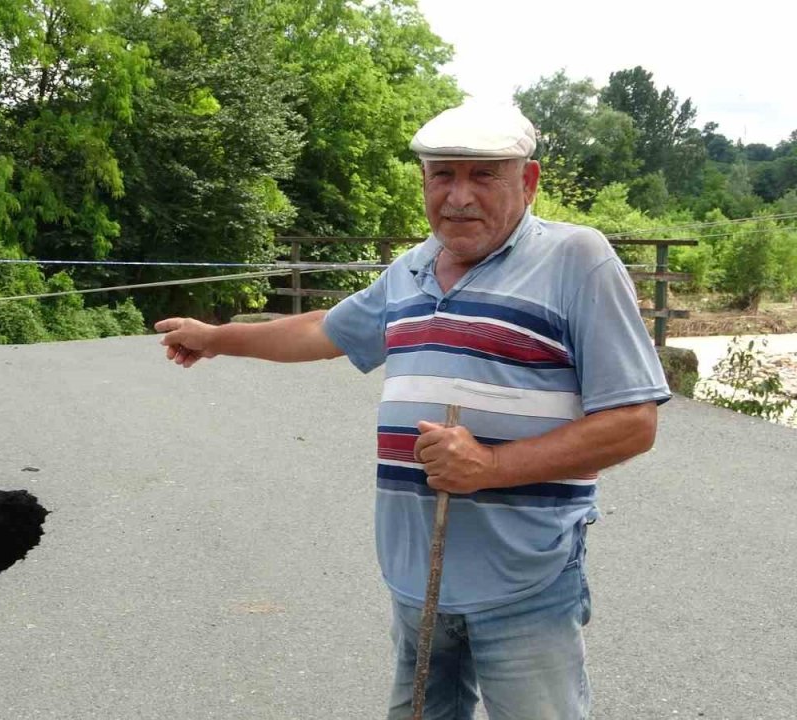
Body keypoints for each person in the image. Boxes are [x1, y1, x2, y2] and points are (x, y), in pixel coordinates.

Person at [153, 101, 670, 719]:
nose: (458, 197)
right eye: (442, 175)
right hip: (415, 581)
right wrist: (216, 338)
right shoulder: (414, 266)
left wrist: (490, 466)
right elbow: (325, 330)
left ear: (527, 183)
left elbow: (634, 422)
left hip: (525, 581)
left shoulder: (577, 260)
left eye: (484, 176)